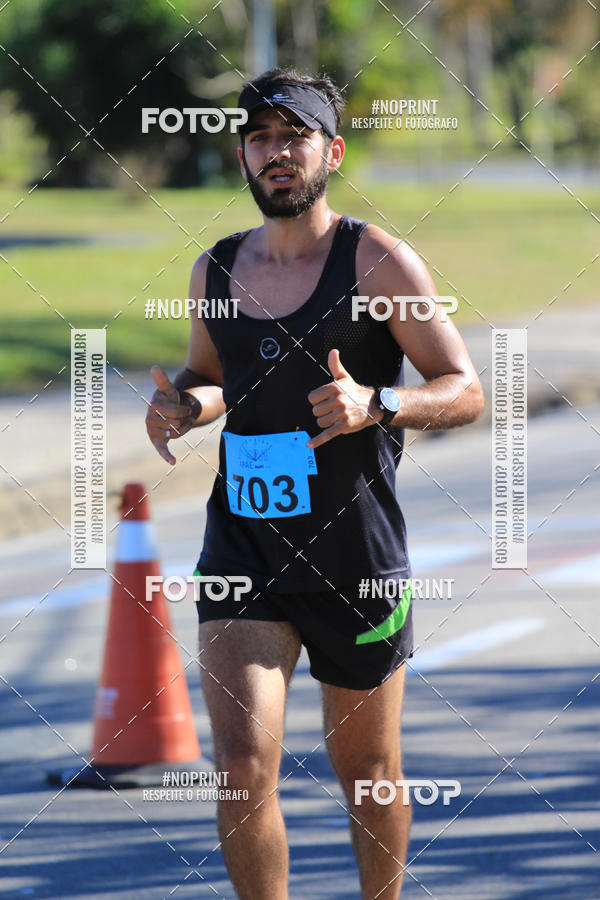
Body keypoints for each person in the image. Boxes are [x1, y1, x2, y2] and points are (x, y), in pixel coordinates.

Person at [145, 67, 484, 900]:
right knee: (240, 766)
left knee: (367, 770)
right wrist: (184, 407)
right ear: (243, 158)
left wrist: (384, 402)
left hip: (354, 556)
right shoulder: (218, 270)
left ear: (330, 151)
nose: (275, 153)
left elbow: (466, 388)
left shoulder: (377, 262)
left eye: (292, 136)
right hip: (246, 550)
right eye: (259, 138)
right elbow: (219, 378)